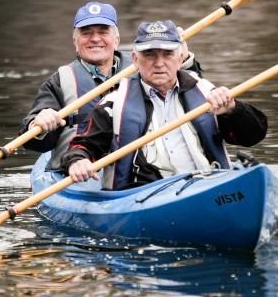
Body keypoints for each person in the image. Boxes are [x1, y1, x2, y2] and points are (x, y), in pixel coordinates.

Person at [61, 19, 267, 190]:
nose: (159, 63)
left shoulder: (206, 92)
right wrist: (78, 161)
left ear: (180, 58)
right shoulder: (113, 104)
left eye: (167, 54)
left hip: (209, 187)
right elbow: (82, 146)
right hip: (146, 196)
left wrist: (232, 110)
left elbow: (254, 135)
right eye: (150, 54)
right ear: (135, 59)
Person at [19, 2, 201, 171]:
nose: (95, 39)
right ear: (76, 42)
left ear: (116, 40)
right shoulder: (59, 82)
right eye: (86, 33)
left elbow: (189, 94)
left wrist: (183, 59)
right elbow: (37, 143)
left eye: (103, 32)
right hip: (79, 170)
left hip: (139, 168)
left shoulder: (145, 65)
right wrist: (38, 123)